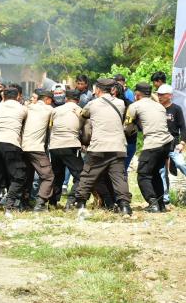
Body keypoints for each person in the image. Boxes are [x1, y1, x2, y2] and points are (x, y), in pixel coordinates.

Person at [74, 78, 132, 215]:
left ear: (97, 90)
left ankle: (80, 203)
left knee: (88, 175)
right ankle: (125, 206)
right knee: (119, 177)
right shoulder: (120, 103)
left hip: (98, 147)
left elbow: (83, 116)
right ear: (112, 90)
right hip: (118, 146)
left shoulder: (92, 104)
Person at [124, 83, 173, 212]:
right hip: (167, 143)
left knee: (143, 175)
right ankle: (161, 203)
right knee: (155, 173)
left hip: (153, 143)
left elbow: (127, 128)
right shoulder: (160, 106)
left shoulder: (134, 106)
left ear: (137, 94)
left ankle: (152, 203)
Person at [0, 87, 28, 213]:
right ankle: (10, 204)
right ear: (18, 97)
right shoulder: (23, 109)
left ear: (3, 96)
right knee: (18, 176)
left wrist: (1, 96)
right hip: (11, 143)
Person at [48, 89, 84, 209]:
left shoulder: (55, 110)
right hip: (70, 145)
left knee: (57, 174)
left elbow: (50, 126)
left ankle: (52, 202)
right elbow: (84, 128)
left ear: (66, 99)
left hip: (54, 146)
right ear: (78, 100)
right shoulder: (79, 110)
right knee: (81, 174)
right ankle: (72, 200)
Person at [22, 89, 56, 212]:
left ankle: (23, 203)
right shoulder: (49, 109)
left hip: (22, 147)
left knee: (27, 176)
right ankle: (40, 204)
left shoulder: (28, 108)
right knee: (48, 176)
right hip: (36, 148)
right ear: (47, 99)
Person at [157, 84, 186, 204]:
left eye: (162, 95)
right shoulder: (157, 108)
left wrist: (182, 142)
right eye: (158, 94)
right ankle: (165, 198)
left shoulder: (176, 109)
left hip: (173, 143)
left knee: (180, 164)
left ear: (169, 96)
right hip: (159, 143)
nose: (159, 97)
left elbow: (183, 127)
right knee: (162, 171)